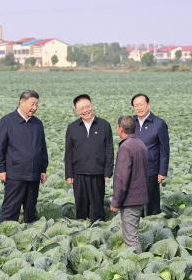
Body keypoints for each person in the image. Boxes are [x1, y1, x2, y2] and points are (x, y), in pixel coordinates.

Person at [0, 90, 48, 223]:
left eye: (37, 105)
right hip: (15, 174)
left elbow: (42, 148)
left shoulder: (37, 123)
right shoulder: (7, 121)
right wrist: (1, 169)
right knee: (10, 208)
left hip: (34, 173)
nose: (35, 108)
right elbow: (0, 147)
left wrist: (43, 169)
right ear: (22, 102)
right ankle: (5, 235)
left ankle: (29, 234)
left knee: (30, 209)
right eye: (32, 104)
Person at [64, 94, 113, 222]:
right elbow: (68, 152)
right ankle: (81, 228)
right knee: (81, 207)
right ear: (76, 110)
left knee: (97, 207)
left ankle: (98, 229)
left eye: (87, 106)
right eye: (81, 108)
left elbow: (109, 149)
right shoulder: (72, 127)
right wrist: (69, 174)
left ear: (92, 105)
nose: (85, 110)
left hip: (97, 173)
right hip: (78, 174)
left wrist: (108, 172)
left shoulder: (104, 125)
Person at [110, 115, 148, 253]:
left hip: (130, 199)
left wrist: (115, 202)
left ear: (120, 129)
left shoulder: (126, 147)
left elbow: (121, 178)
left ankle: (138, 267)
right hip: (139, 197)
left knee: (131, 238)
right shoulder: (140, 143)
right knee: (132, 234)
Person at [131, 93, 170, 217]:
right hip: (134, 170)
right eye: (136, 105)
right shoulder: (131, 122)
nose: (139, 108)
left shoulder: (159, 124)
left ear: (148, 105)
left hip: (151, 170)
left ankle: (154, 223)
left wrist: (162, 172)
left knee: (152, 203)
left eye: (141, 104)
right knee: (135, 203)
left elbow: (165, 150)